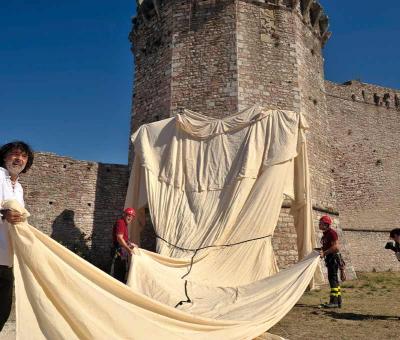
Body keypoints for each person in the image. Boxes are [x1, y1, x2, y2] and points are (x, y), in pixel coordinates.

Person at [0, 141, 34, 331]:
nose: (19, 158)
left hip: (8, 259)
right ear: (5, 157)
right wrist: (2, 213)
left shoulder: (19, 188)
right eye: (14, 154)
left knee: (3, 311)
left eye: (23, 156)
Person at [319, 215, 344, 308]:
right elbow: (326, 246)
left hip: (333, 258)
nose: (319, 224)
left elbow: (336, 247)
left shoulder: (332, 233)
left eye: (320, 223)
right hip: (330, 258)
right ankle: (338, 301)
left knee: (333, 280)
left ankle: (334, 302)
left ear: (326, 224)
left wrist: (324, 253)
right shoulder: (326, 234)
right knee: (334, 280)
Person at [111, 207, 137, 283]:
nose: (130, 218)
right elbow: (119, 238)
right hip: (119, 253)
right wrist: (129, 249)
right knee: (119, 275)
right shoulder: (121, 222)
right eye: (128, 215)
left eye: (131, 216)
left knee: (122, 272)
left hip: (122, 253)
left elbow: (123, 238)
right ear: (124, 214)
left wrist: (130, 243)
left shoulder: (124, 224)